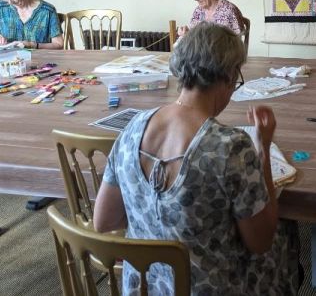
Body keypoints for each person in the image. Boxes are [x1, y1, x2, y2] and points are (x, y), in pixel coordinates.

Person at [94, 22, 298, 295]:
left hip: (147, 288)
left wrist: (162, 228)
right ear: (227, 76)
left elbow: (104, 221)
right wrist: (262, 148)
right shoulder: (231, 146)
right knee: (287, 236)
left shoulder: (133, 127)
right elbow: (260, 242)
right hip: (213, 288)